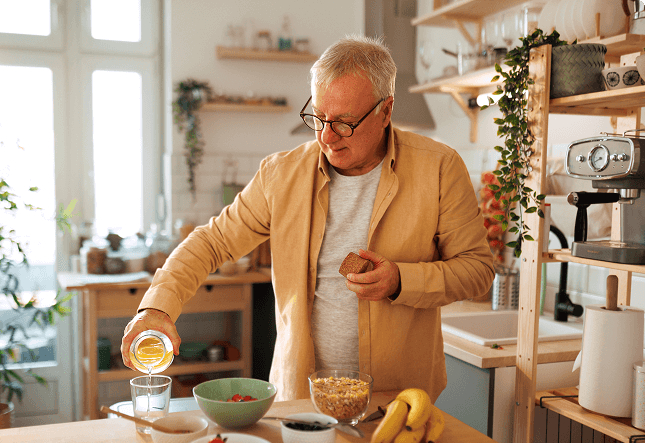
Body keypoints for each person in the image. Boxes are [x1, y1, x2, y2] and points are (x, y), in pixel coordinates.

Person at [121, 34, 494, 402]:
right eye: (318, 117)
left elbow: (478, 271)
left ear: (385, 111)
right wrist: (156, 307)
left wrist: (401, 280)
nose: (327, 137)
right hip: (299, 397)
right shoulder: (280, 174)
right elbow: (211, 242)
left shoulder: (440, 168)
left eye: (344, 123)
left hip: (397, 399)